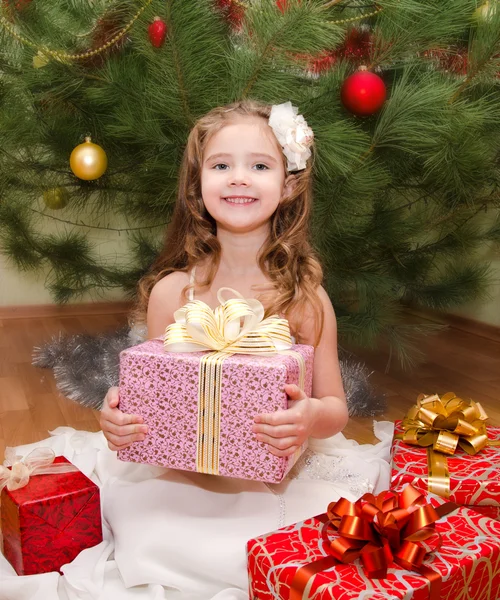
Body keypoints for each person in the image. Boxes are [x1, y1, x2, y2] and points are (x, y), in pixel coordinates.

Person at [100, 99, 349, 456]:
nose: (238, 177)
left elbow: (335, 410)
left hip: (269, 469)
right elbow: (157, 397)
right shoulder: (171, 293)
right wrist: (121, 417)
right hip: (183, 465)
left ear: (288, 186)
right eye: (221, 165)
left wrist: (310, 416)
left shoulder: (303, 298)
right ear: (197, 184)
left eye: (260, 165)